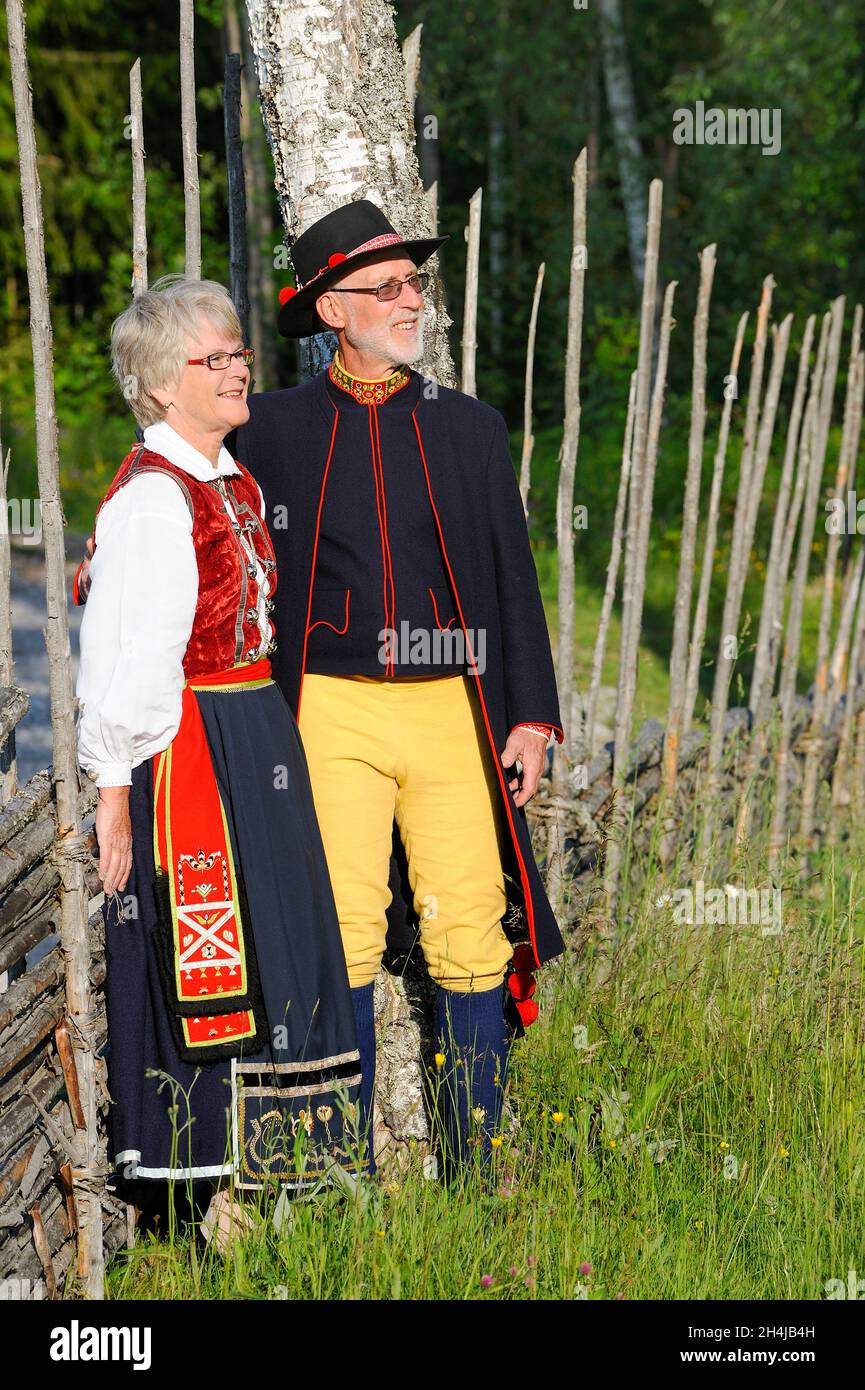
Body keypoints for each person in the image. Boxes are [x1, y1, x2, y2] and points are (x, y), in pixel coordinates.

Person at [77, 200, 565, 1179]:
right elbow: (196, 563)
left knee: (467, 928)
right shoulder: (274, 435)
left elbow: (511, 572)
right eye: (386, 286)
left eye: (414, 282)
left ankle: (479, 1172)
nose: (409, 299)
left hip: (448, 708)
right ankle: (330, 1172)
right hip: (326, 710)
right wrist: (125, 762)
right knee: (332, 933)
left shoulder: (469, 428)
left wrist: (529, 711)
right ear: (333, 307)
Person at [75, 275, 364, 1248]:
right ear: (162, 385)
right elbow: (123, 657)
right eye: (217, 357)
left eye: (241, 350)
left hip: (255, 733)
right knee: (212, 959)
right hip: (195, 753)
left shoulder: (226, 477)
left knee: (278, 946)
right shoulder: (154, 502)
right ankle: (204, 1192)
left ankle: (270, 1175)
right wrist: (113, 790)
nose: (241, 365)